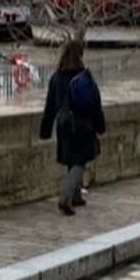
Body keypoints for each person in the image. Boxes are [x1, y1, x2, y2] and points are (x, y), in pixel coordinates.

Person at [39, 40, 105, 215]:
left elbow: (50, 107)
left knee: (72, 159)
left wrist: (45, 130)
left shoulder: (56, 78)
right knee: (79, 161)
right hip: (83, 125)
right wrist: (100, 126)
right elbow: (95, 104)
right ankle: (66, 197)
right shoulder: (85, 77)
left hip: (63, 125)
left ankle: (76, 197)